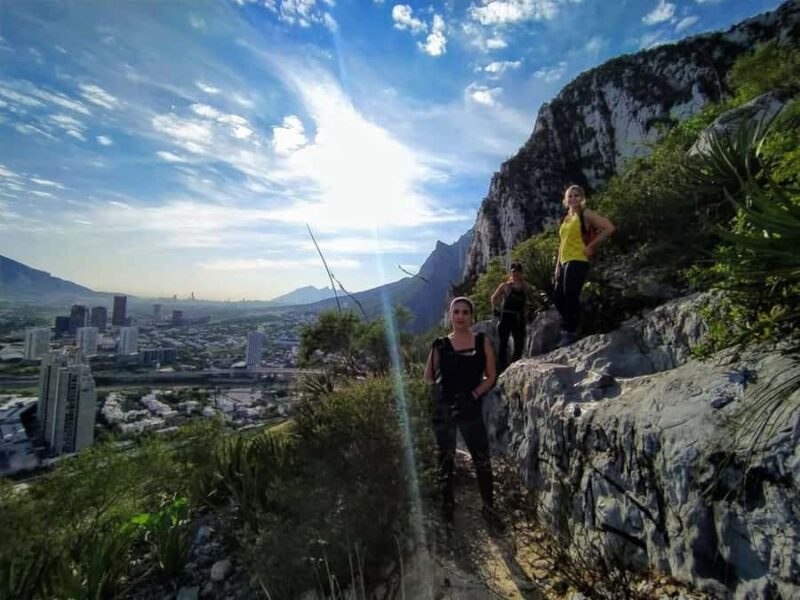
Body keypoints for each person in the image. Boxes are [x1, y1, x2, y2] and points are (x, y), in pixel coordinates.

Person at [424, 296, 499, 528]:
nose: (460, 316)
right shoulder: (440, 344)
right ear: (450, 315)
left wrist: (474, 395)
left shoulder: (481, 341)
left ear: (471, 316)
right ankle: (447, 509)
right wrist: (436, 400)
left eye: (465, 312)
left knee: (482, 459)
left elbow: (491, 376)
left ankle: (489, 507)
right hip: (444, 409)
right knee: (444, 460)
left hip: (471, 407)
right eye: (456, 312)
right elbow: (427, 378)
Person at [554, 184, 615, 346]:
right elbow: (562, 243)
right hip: (565, 261)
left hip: (579, 259)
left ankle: (570, 331)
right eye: (570, 196)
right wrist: (557, 266)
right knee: (557, 296)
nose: (573, 198)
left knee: (570, 294)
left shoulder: (585, 214)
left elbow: (609, 228)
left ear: (582, 198)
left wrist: (591, 246)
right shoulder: (566, 218)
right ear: (566, 200)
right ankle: (574, 323)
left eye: (576, 195)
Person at [490, 262, 535, 371]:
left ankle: (515, 366)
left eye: (518, 272)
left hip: (519, 318)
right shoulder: (505, 286)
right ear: (511, 273)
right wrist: (495, 310)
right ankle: (502, 368)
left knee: (519, 344)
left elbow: (532, 301)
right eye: (514, 272)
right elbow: (493, 298)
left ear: (521, 273)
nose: (516, 274)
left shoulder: (526, 287)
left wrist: (531, 311)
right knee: (503, 344)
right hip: (505, 316)